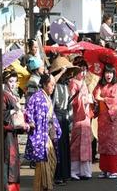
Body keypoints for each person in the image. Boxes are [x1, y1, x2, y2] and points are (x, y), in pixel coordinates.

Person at [24, 74, 62, 191]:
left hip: (47, 136)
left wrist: (56, 129)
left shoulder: (46, 97)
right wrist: (30, 123)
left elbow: (51, 117)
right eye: (51, 85)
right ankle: (43, 188)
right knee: (42, 168)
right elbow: (28, 112)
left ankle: (44, 187)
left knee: (52, 161)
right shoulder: (36, 97)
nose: (53, 87)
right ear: (45, 85)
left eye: (54, 85)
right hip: (40, 137)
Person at [50, 56, 77, 185]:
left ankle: (65, 174)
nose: (67, 75)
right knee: (58, 147)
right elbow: (52, 82)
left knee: (65, 146)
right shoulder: (52, 85)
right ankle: (57, 176)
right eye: (64, 72)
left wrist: (70, 121)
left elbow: (69, 106)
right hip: (56, 117)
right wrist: (61, 71)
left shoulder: (66, 85)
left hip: (64, 117)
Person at [3, 69, 30, 191]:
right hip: (6, 134)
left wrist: (22, 123)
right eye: (10, 81)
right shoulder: (3, 94)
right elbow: (1, 115)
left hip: (12, 133)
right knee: (8, 162)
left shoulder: (12, 94)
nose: (12, 84)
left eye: (14, 81)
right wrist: (14, 110)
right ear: (5, 81)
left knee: (14, 162)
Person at [93, 64, 117, 179]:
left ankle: (113, 170)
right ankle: (104, 169)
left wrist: (103, 98)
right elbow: (95, 95)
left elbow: (115, 99)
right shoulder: (100, 85)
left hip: (111, 118)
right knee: (103, 143)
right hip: (102, 118)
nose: (108, 75)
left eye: (110, 73)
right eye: (106, 72)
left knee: (112, 144)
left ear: (114, 74)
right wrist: (97, 95)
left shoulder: (116, 85)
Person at [69, 59, 94, 180]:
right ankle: (74, 170)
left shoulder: (84, 83)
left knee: (86, 143)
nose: (83, 72)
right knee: (76, 144)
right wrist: (84, 99)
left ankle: (85, 171)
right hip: (79, 116)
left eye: (84, 69)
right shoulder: (73, 83)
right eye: (81, 69)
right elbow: (73, 101)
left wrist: (90, 98)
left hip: (86, 117)